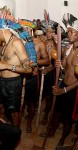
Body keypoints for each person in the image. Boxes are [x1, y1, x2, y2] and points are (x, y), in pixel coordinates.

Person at [45, 19, 78, 149]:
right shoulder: (69, 48)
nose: (68, 34)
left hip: (73, 91)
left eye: (71, 32)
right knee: (57, 112)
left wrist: (64, 91)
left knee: (68, 118)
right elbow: (64, 65)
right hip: (63, 85)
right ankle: (52, 132)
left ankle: (63, 139)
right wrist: (59, 64)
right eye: (68, 31)